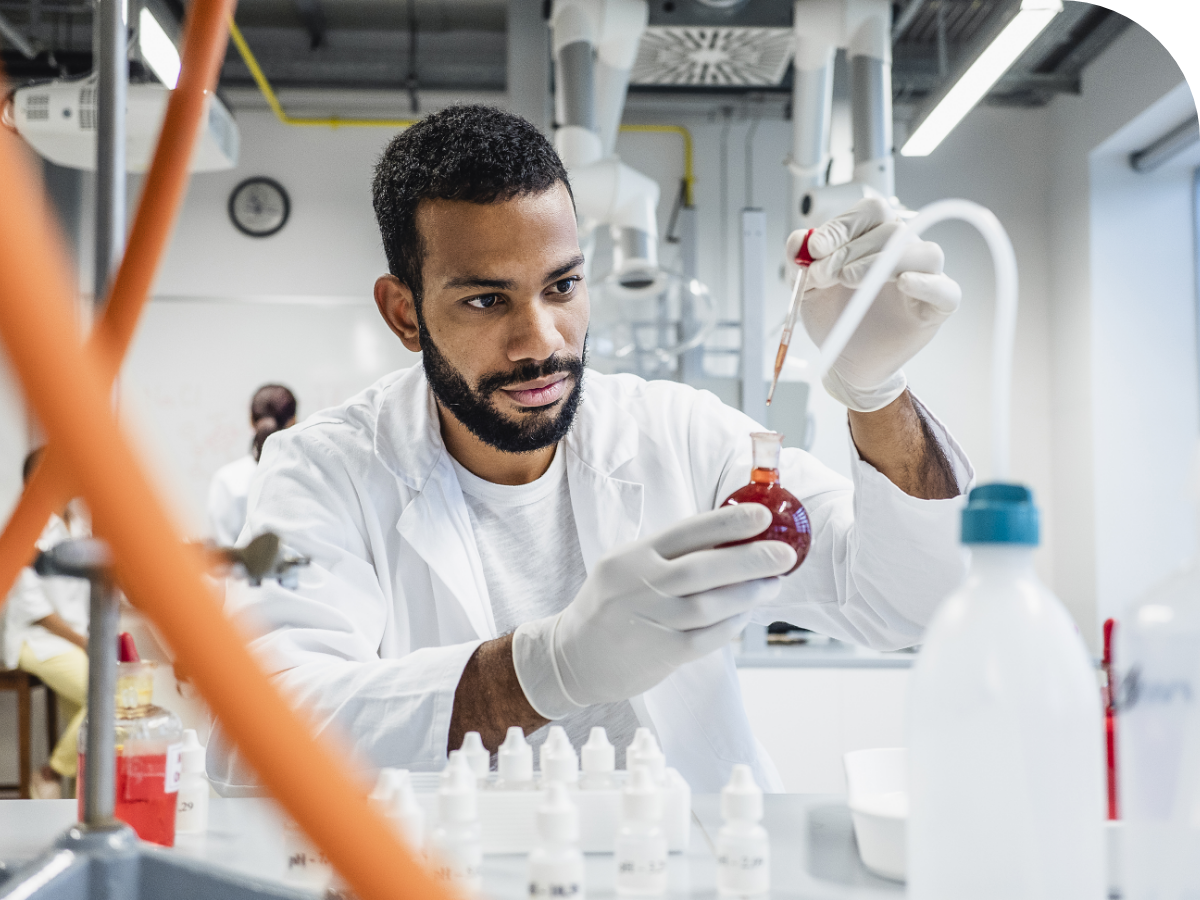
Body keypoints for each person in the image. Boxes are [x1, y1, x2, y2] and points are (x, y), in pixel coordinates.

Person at [208, 106, 971, 794]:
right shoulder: (327, 470)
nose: (539, 340)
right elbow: (256, 735)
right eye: (485, 299)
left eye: (563, 287)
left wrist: (878, 393)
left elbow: (909, 604)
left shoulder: (681, 435)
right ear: (404, 313)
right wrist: (545, 670)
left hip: (686, 873)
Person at [2, 448, 91, 798]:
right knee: (107, 695)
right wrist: (85, 642)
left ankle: (78, 802)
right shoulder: (27, 528)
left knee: (87, 720)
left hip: (74, 640)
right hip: (36, 639)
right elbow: (33, 607)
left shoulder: (78, 525)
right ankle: (50, 773)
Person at [207, 384, 297, 546]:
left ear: (251, 420)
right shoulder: (308, 473)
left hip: (241, 571)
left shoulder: (227, 478)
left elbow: (224, 549)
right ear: (293, 421)